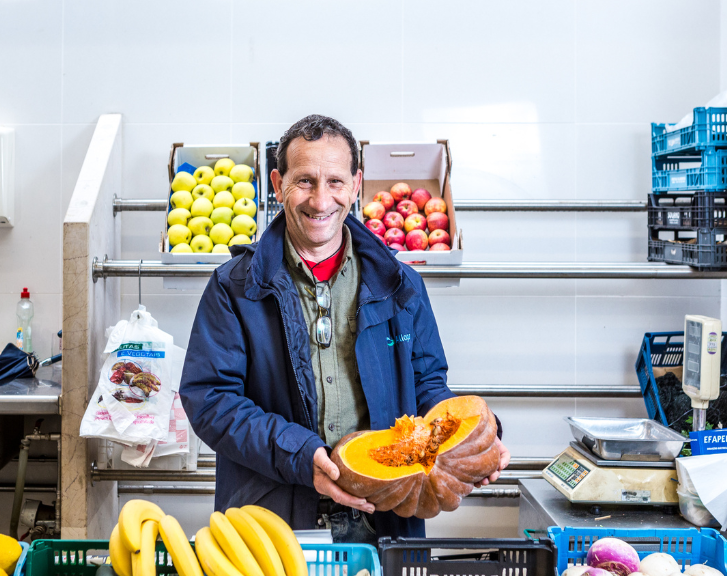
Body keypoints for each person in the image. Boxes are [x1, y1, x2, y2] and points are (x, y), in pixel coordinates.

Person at [179, 114, 510, 544]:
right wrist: (300, 455)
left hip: (384, 519)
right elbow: (211, 400)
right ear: (277, 184)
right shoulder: (234, 286)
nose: (320, 201)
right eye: (304, 181)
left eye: (335, 182)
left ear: (356, 184)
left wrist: (476, 439)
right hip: (271, 521)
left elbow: (427, 386)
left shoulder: (400, 284)